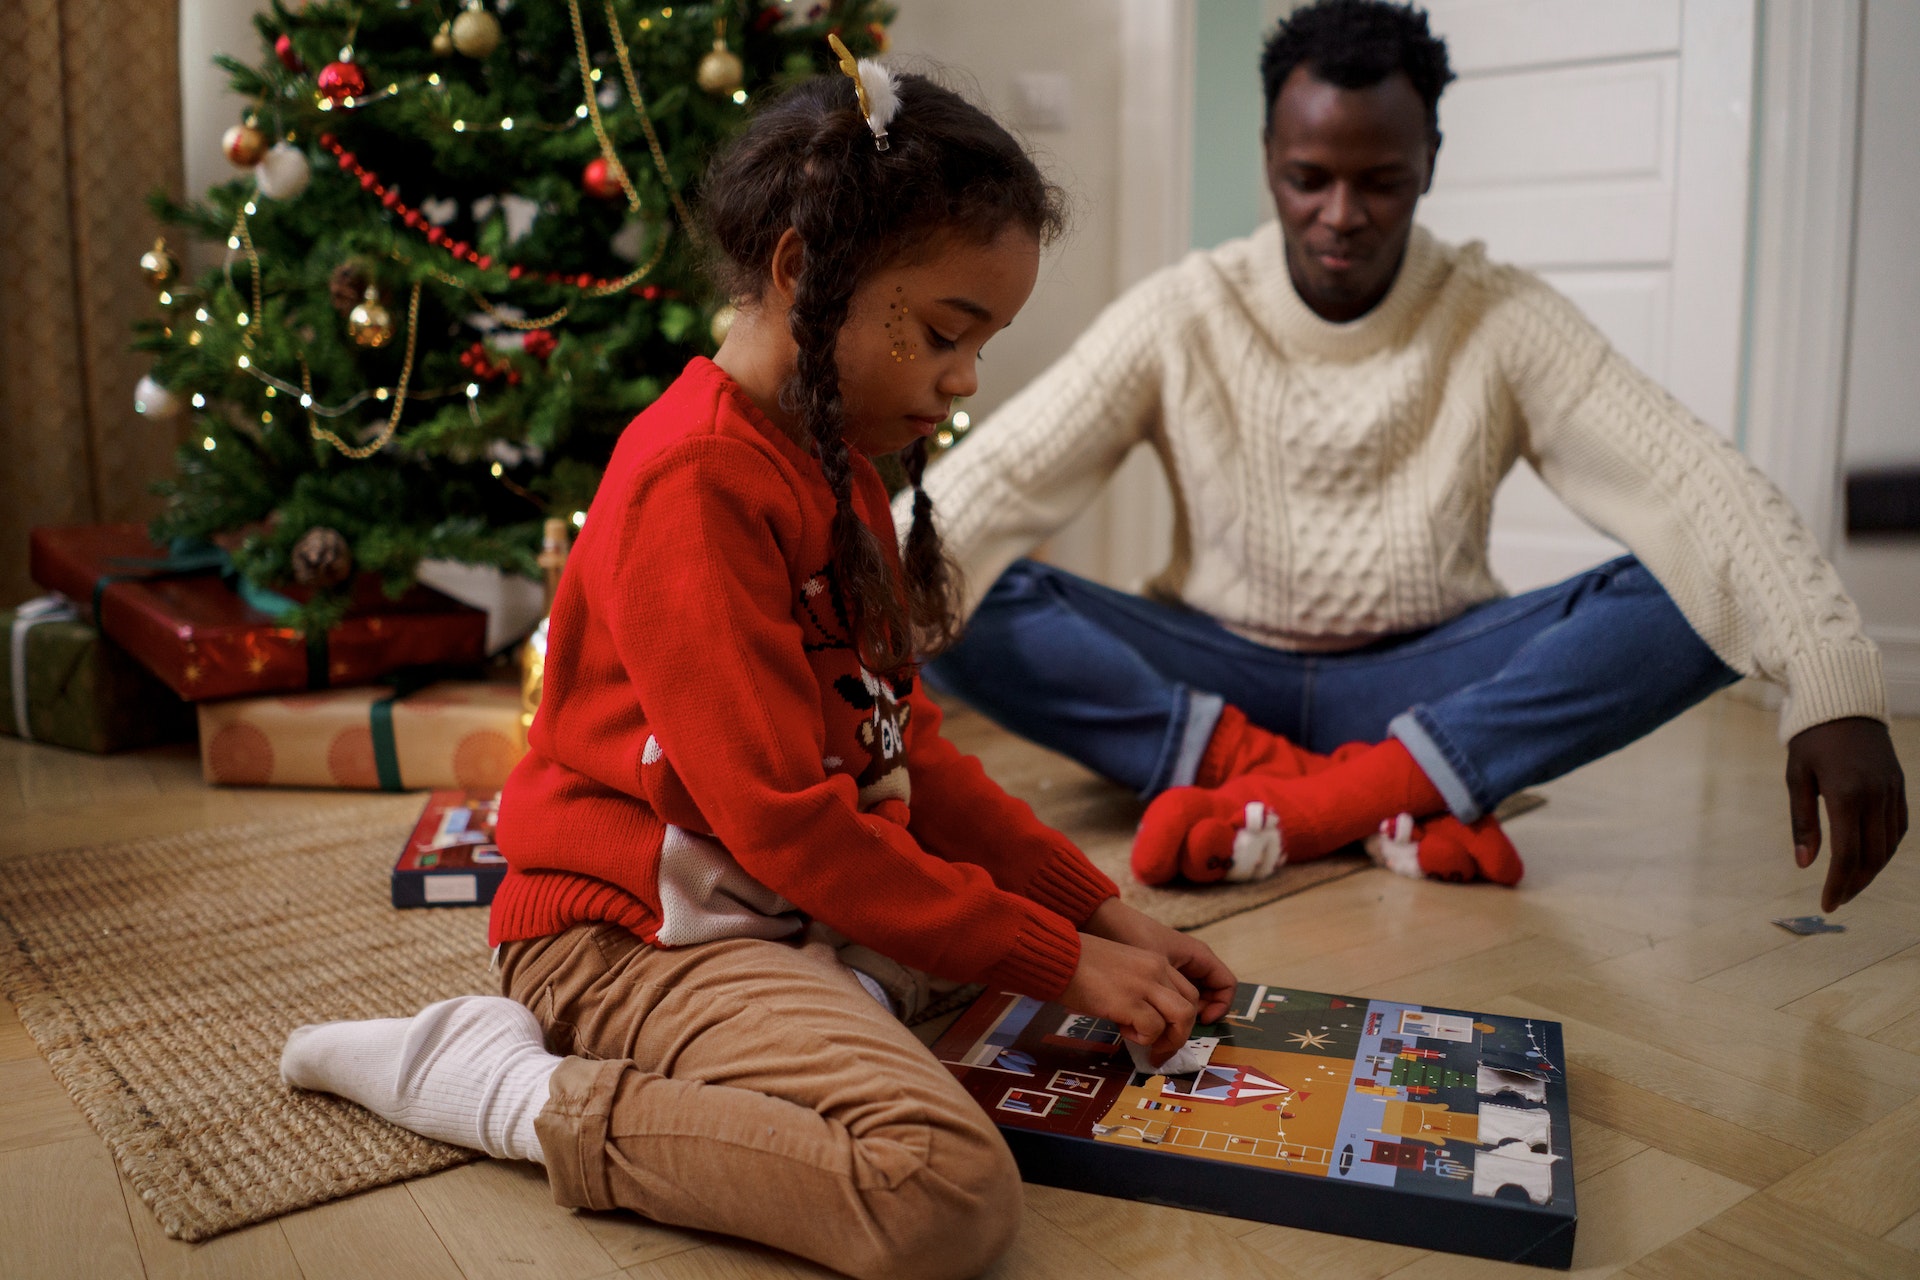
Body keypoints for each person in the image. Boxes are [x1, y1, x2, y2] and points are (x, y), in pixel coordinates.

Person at [277, 62, 1234, 1280]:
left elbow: (907, 749)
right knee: (937, 1187)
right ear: (799, 273)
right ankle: (501, 1084)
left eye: (980, 344)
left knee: (1013, 984)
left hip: (771, 910)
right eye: (944, 332)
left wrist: (1095, 911)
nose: (964, 381)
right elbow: (791, 824)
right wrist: (1058, 957)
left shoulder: (838, 462)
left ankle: (838, 1000)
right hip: (626, 938)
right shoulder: (695, 480)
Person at [904, 0, 1906, 907]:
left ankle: (1335, 791)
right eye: (1309, 179)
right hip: (1218, 669)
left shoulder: (1501, 313)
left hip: (1426, 675)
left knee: (1688, 589)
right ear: (1268, 156)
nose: (1340, 215)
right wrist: (839, 610)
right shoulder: (1185, 309)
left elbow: (1699, 482)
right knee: (954, 576)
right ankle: (1371, 795)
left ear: (1430, 156)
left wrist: (1833, 683)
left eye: (1380, 180)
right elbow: (991, 486)